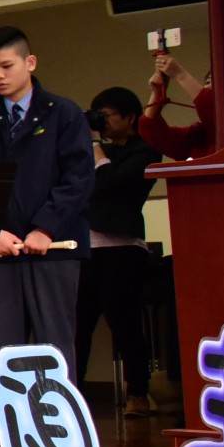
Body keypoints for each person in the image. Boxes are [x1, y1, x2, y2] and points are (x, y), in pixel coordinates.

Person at [0, 26, 94, 367]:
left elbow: (78, 179)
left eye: (6, 66)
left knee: (55, 349)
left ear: (30, 62)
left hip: (54, 248)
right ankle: (10, 406)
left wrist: (46, 227)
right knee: (8, 352)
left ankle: (58, 406)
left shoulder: (64, 114)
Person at [77, 86, 161, 413]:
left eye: (108, 116)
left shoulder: (145, 150)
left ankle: (138, 393)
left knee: (125, 325)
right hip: (86, 247)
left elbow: (111, 182)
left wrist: (95, 145)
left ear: (130, 117)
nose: (102, 122)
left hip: (123, 249)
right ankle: (73, 396)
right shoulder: (94, 150)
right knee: (78, 327)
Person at [142, 52, 218, 160]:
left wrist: (181, 75)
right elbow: (154, 132)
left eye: (216, 83)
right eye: (208, 82)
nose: (208, 87)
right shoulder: (199, 136)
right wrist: (157, 93)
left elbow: (216, 113)